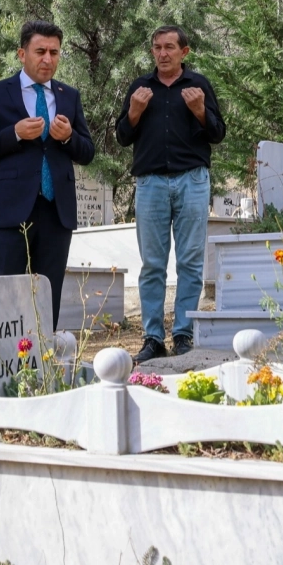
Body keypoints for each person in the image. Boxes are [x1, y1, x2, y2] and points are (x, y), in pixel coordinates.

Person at [0, 20, 95, 328]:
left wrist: (68, 137)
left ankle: (43, 355)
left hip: (56, 213)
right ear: (22, 54)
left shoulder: (69, 96)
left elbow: (87, 152)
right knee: (3, 298)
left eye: (54, 52)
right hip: (10, 212)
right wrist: (14, 133)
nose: (47, 59)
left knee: (46, 300)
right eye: (40, 51)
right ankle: (3, 357)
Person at [115, 26, 226, 364]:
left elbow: (218, 133)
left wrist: (200, 110)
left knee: (190, 261)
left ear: (184, 52)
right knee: (152, 264)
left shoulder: (198, 85)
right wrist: (134, 111)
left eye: (169, 47)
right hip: (150, 184)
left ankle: (183, 334)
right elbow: (122, 136)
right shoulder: (140, 88)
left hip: (192, 181)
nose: (162, 53)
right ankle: (152, 338)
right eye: (157, 47)